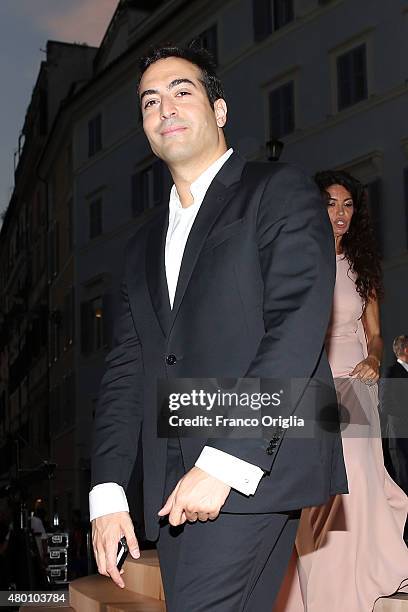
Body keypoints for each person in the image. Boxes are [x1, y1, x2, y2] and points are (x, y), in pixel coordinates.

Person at [89, 45, 347, 612]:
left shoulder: (278, 191)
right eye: (150, 101)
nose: (166, 107)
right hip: (174, 485)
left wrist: (224, 459)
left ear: (220, 110)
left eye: (183, 91)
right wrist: (106, 492)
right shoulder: (139, 248)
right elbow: (126, 372)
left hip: (252, 464)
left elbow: (296, 327)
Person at [275, 170, 408, 612]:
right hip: (311, 380)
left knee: (357, 477)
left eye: (348, 205)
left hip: (354, 378)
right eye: (331, 203)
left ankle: (363, 572)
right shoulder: (296, 260)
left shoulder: (363, 267)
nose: (340, 213)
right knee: (319, 484)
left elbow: (373, 334)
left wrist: (373, 358)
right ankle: (322, 582)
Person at [381, 336, 408, 499]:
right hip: (400, 434)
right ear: (406, 350)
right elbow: (385, 404)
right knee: (404, 476)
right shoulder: (390, 372)